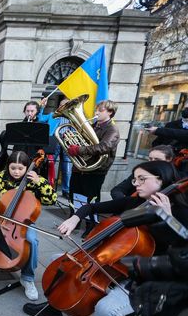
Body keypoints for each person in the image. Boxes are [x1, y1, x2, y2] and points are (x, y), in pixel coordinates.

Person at [25, 161, 188, 316]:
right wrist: (75, 217)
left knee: (108, 308)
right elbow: (92, 207)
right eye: (134, 179)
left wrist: (168, 217)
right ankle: (56, 306)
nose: (135, 184)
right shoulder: (134, 203)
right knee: (60, 262)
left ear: (161, 181)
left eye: (142, 179)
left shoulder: (180, 212)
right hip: (113, 263)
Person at [0, 151, 57, 301]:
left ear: (27, 168)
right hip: (0, 218)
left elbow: (51, 199)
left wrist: (40, 182)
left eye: (20, 168)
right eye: (13, 168)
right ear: (8, 166)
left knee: (31, 241)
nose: (17, 172)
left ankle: (27, 277)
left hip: (22, 224)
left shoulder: (36, 180)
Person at [67, 99, 120, 235]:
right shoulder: (92, 125)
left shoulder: (112, 129)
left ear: (110, 112)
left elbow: (104, 147)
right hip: (80, 168)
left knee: (91, 199)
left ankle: (92, 226)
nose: (96, 112)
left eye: (100, 110)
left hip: (96, 170)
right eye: (97, 109)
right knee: (75, 196)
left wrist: (79, 150)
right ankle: (74, 221)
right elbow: (82, 141)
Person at [110, 145, 175, 199]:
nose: (152, 162)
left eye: (157, 159)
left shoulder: (175, 178)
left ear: (169, 159)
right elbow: (117, 190)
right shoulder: (141, 172)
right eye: (150, 159)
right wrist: (124, 203)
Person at [38, 97, 72, 198]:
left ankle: (66, 190)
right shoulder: (52, 115)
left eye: (66, 105)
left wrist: (70, 134)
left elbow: (75, 130)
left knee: (67, 167)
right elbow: (40, 119)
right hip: (54, 141)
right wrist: (41, 108)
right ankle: (48, 188)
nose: (63, 107)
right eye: (62, 105)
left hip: (67, 143)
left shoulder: (72, 118)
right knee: (49, 165)